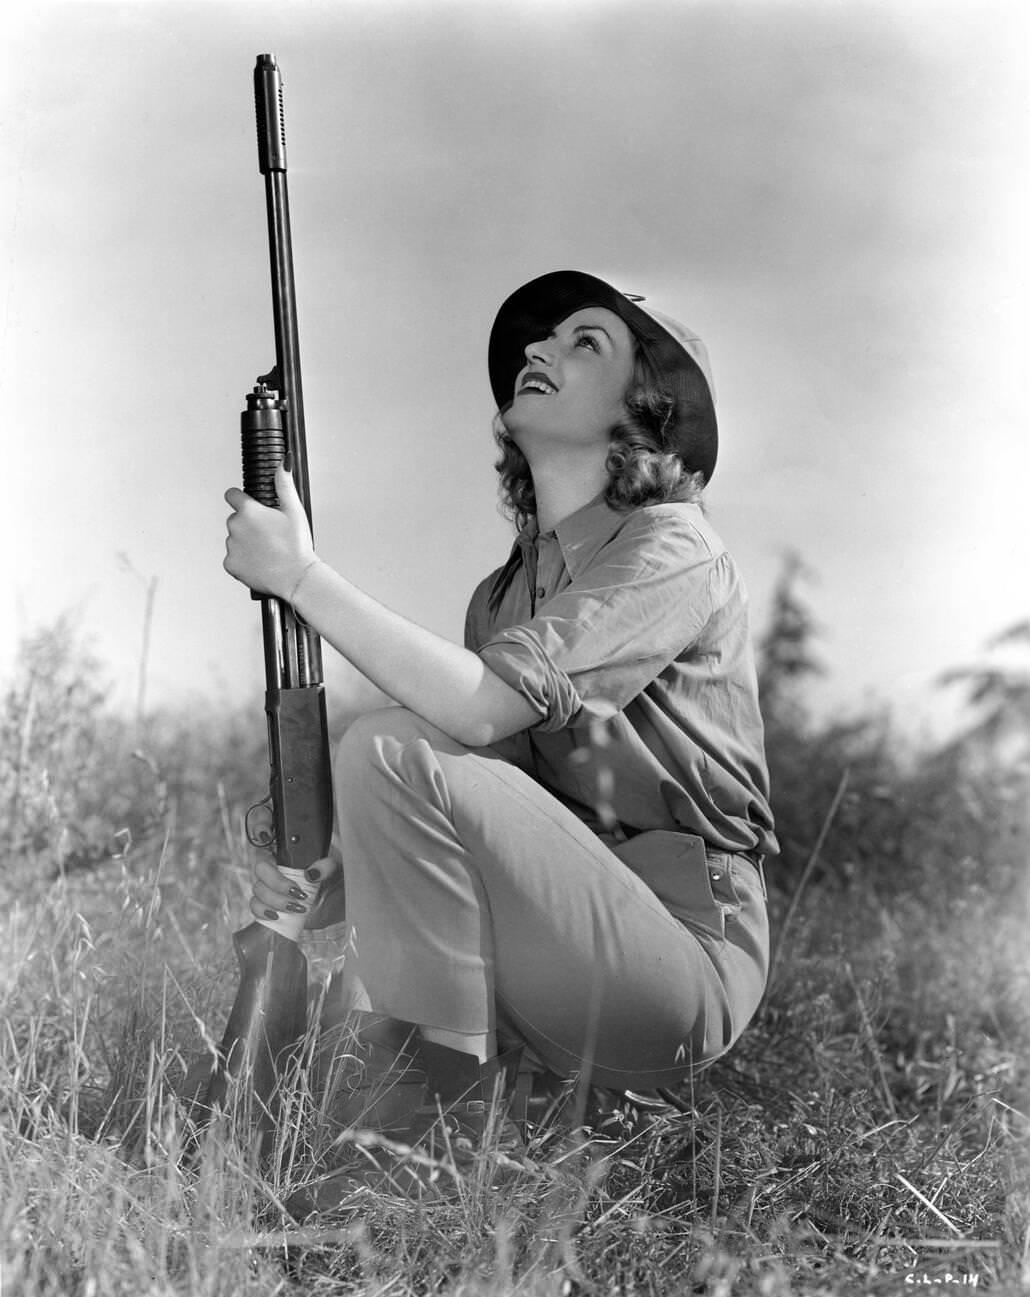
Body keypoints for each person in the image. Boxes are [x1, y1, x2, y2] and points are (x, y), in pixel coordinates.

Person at [223, 269, 777, 1210]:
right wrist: (324, 874)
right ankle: (421, 1146)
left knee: (390, 742)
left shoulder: (672, 546)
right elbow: (476, 796)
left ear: (647, 409)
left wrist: (304, 580)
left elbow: (474, 715)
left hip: (681, 961)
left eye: (583, 342)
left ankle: (416, 1153)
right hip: (560, 955)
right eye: (540, 340)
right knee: (390, 754)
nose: (537, 350)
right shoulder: (503, 597)